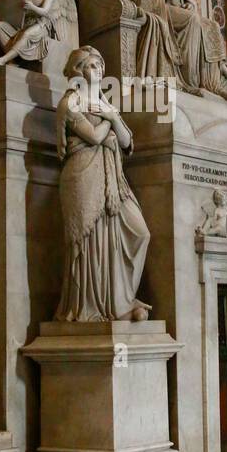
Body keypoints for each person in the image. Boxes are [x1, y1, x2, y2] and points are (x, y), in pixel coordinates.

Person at [54, 45, 150, 322]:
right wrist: (110, 119)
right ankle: (90, 309)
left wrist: (110, 117)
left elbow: (127, 142)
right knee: (93, 243)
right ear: (78, 69)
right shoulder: (70, 103)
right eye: (94, 65)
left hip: (113, 181)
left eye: (102, 66)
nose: (100, 70)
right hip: (83, 177)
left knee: (139, 232)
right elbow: (94, 137)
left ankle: (120, 301)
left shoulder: (105, 103)